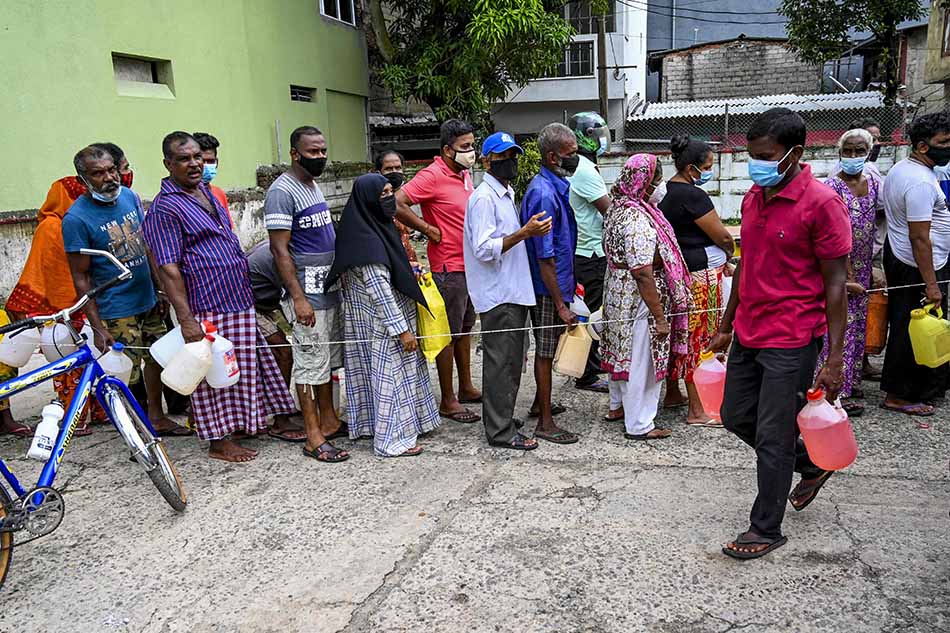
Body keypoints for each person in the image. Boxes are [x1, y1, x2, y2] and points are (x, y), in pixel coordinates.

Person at [708, 108, 851, 559]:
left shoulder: (823, 204)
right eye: (751, 156)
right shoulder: (754, 197)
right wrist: (726, 325)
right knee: (734, 415)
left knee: (773, 433)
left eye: (765, 156)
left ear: (795, 153)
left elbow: (835, 286)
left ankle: (765, 527)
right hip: (750, 329)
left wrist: (833, 359)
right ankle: (808, 463)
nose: (757, 164)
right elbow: (745, 264)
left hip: (792, 337)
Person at [143, 131, 298, 463]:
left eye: (198, 156)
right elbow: (168, 268)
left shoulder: (205, 193)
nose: (195, 163)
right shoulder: (165, 208)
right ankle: (218, 440)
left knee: (239, 368)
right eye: (184, 158)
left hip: (236, 298)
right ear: (168, 163)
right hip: (206, 305)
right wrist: (186, 320)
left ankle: (244, 424)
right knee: (211, 375)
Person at [62, 145, 189, 437]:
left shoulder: (129, 197)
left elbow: (147, 247)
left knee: (159, 358)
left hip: (147, 299)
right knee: (126, 373)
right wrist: (96, 326)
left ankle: (156, 417)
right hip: (116, 309)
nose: (109, 177)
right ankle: (135, 429)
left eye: (111, 169)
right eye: (98, 174)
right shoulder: (76, 220)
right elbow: (80, 276)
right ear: (83, 179)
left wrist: (161, 290)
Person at [5, 143, 133, 430]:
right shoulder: (53, 228)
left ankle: (100, 411)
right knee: (68, 364)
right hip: (62, 311)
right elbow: (44, 272)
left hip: (90, 302)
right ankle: (76, 416)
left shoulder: (89, 217)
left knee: (99, 359)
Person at [326, 174, 440, 457]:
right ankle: (393, 440)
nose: (391, 199)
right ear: (368, 200)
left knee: (374, 378)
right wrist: (402, 331)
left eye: (392, 191)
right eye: (384, 194)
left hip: (368, 323)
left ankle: (374, 426)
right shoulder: (368, 243)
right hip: (383, 326)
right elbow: (380, 291)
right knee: (391, 379)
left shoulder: (366, 227)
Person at [464, 132, 551, 450]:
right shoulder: (484, 198)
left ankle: (500, 417)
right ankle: (500, 431)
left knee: (513, 361)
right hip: (499, 294)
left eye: (512, 155)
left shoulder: (504, 192)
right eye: (502, 157)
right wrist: (524, 232)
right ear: (487, 160)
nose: (509, 161)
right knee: (502, 363)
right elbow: (484, 248)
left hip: (512, 290)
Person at [265, 125, 348, 461]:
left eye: (323, 151)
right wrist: (297, 297)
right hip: (307, 296)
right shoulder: (282, 191)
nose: (321, 157)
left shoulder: (312, 185)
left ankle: (329, 421)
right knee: (308, 364)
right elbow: (279, 250)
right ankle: (313, 436)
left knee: (326, 363)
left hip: (327, 290)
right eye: (313, 152)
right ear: (295, 154)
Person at [395, 119, 481, 424]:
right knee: (448, 333)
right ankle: (447, 399)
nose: (471, 152)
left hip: (469, 264)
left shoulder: (464, 174)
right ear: (447, 149)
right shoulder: (431, 175)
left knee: (465, 329)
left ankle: (466, 386)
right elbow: (398, 201)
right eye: (465, 147)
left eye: (472, 145)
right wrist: (427, 228)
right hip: (448, 266)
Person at [600, 154, 689, 441]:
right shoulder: (638, 219)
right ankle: (639, 423)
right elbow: (642, 272)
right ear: (646, 183)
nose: (661, 186)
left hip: (617, 289)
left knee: (621, 350)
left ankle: (618, 407)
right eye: (658, 180)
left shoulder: (617, 208)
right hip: (638, 297)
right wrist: (661, 318)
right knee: (642, 358)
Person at [658, 135, 734, 426]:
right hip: (700, 276)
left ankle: (673, 393)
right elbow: (723, 235)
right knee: (699, 338)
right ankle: (697, 409)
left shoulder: (665, 191)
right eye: (709, 166)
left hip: (679, 274)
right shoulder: (693, 195)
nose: (710, 171)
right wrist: (730, 252)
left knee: (681, 333)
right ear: (692, 169)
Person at [880, 112, 950, 417]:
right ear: (923, 146)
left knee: (912, 325)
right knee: (914, 328)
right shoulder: (919, 182)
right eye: (944, 142)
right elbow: (920, 237)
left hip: (904, 257)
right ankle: (899, 394)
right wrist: (932, 284)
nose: (948, 147)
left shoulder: (903, 169)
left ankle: (924, 385)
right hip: (917, 264)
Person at [521, 123, 582, 445]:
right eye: (571, 153)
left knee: (551, 347)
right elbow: (545, 257)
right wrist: (559, 303)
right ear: (551, 156)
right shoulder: (544, 193)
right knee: (545, 353)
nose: (576, 158)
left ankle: (538, 405)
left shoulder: (556, 184)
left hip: (558, 283)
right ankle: (545, 422)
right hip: (547, 289)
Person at [815, 129, 881, 417]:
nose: (853, 156)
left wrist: (874, 266)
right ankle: (832, 390)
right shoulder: (832, 187)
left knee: (857, 327)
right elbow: (831, 234)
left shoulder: (873, 184)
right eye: (848, 151)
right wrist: (848, 275)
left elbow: (878, 223)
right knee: (838, 324)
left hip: (865, 263)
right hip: (840, 266)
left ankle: (850, 384)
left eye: (858, 151)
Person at [567, 112, 611, 394]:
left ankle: (588, 367)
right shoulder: (585, 170)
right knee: (592, 313)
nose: (603, 139)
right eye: (597, 134)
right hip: (590, 253)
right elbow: (609, 210)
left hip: (589, 250)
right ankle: (587, 373)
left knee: (590, 311)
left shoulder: (584, 167)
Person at [246, 241, 294, 386]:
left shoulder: (276, 244)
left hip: (260, 302)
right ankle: (282, 405)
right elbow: (289, 301)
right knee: (284, 352)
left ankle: (276, 400)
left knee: (276, 353)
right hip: (247, 305)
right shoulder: (282, 255)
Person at [373, 149, 419, 267]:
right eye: (389, 169)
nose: (395, 172)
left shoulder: (405, 197)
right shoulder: (375, 203)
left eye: (398, 168)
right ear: (378, 173)